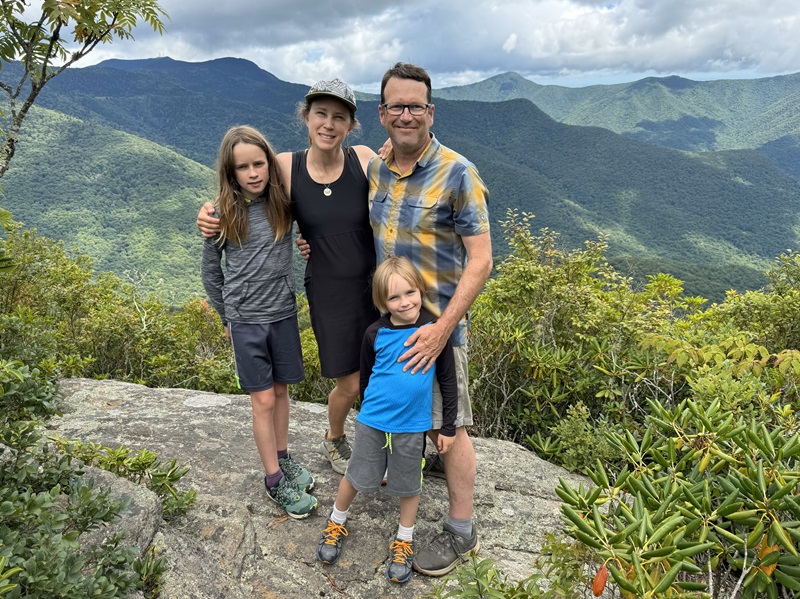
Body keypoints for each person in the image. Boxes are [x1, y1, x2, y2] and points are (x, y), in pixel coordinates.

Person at [197, 79, 379, 476]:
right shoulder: (284, 165)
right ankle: (331, 440)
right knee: (349, 383)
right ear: (306, 117)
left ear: (351, 125)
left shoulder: (365, 158)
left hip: (378, 287)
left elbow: (400, 189)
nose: (328, 124)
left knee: (379, 378)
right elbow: (244, 192)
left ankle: (381, 449)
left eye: (339, 117)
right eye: (320, 114)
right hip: (327, 290)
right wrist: (209, 214)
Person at [368, 62, 493, 577]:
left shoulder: (458, 172)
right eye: (396, 105)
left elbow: (481, 260)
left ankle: (461, 530)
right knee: (413, 414)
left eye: (415, 105)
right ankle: (431, 464)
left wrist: (443, 330)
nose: (406, 114)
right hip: (394, 327)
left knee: (452, 427)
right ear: (381, 114)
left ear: (430, 111)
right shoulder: (376, 168)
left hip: (440, 326)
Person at [315, 257, 457, 584]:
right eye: (394, 297)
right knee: (357, 474)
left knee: (408, 483)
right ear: (381, 302)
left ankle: (404, 539)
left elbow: (447, 381)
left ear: (420, 289)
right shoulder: (374, 333)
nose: (405, 302)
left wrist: (447, 427)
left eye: (410, 292)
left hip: (411, 425)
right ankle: (336, 521)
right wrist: (368, 411)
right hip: (373, 421)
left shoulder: (434, 331)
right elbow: (366, 378)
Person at [201, 125, 317, 519]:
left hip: (282, 313)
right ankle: (272, 480)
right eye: (242, 167)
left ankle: (283, 460)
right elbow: (210, 272)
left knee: (282, 392)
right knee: (263, 399)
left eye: (258, 163)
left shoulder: (282, 202)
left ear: (269, 163)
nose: (252, 173)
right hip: (246, 321)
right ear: (230, 173)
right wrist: (227, 316)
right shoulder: (221, 214)